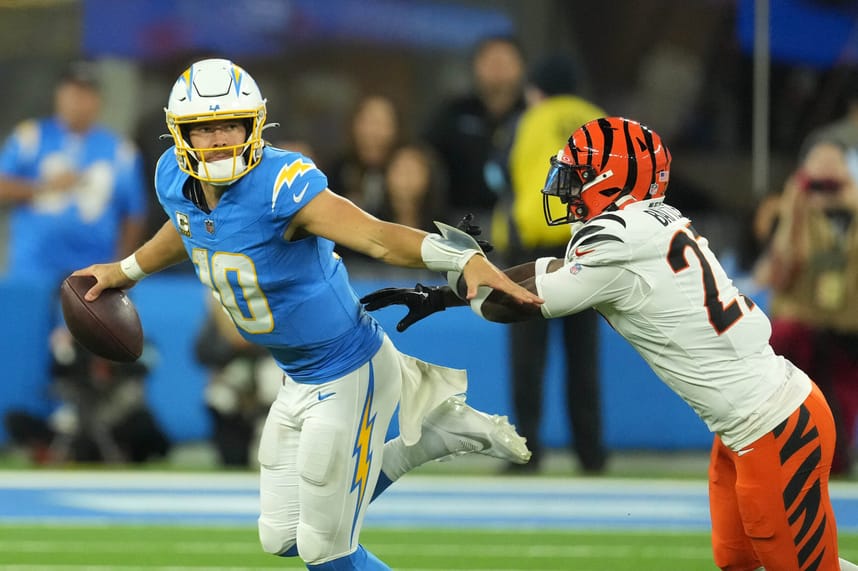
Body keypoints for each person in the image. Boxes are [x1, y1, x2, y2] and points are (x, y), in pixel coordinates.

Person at [71, 58, 540, 571]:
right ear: (179, 134)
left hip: (349, 370)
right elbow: (188, 227)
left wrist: (460, 256)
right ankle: (433, 440)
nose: (219, 139)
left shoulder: (281, 184)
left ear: (255, 125)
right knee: (282, 538)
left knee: (326, 550)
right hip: (295, 375)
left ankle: (429, 440)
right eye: (204, 128)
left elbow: (376, 235)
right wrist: (127, 270)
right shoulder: (173, 179)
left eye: (230, 124)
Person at [360, 116, 858, 571]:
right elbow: (547, 272)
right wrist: (451, 292)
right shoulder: (648, 224)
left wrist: (461, 270)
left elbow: (511, 302)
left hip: (772, 427)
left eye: (578, 175)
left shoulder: (616, 240)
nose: (566, 188)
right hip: (750, 424)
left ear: (612, 179)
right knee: (740, 563)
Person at [494, 53, 608, 474]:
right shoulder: (599, 121)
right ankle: (591, 454)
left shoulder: (527, 121)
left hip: (532, 252)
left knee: (528, 360)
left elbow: (501, 176)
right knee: (584, 359)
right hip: (591, 249)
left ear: (535, 89)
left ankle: (526, 452)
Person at [754, 140, 858, 476]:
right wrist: (795, 210)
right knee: (786, 335)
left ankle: (834, 453)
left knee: (837, 438)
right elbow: (775, 276)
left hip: (848, 329)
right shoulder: (787, 212)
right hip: (805, 327)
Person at [0, 60, 147, 287]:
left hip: (93, 267)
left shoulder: (120, 150)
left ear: (98, 101)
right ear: (58, 96)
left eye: (86, 94)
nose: (78, 102)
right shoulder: (31, 137)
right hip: (33, 265)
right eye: (72, 93)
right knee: (26, 320)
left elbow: (134, 213)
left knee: (84, 321)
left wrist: (120, 268)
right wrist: (42, 187)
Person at [4, 325, 169, 465]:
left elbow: (146, 365)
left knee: (147, 427)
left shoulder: (133, 339)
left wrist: (112, 363)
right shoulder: (76, 342)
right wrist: (65, 352)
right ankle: (64, 451)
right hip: (82, 420)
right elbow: (58, 373)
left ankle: (111, 452)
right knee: (15, 418)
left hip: (118, 416)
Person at [423, 35, 527, 232]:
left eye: (505, 61)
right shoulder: (455, 111)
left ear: (521, 67)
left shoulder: (533, 116)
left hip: (520, 224)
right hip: (458, 219)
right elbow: (426, 156)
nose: (497, 68)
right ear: (476, 66)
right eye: (490, 61)